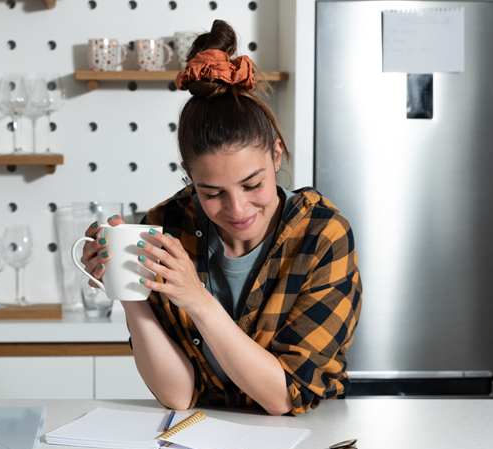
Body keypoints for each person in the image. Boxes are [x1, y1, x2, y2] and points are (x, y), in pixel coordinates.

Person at [79, 20, 362, 416]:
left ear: (276, 154)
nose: (238, 210)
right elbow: (178, 396)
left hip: (308, 437)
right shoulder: (166, 226)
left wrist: (198, 300)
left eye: (252, 184)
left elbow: (284, 397)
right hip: (203, 433)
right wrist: (128, 293)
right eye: (212, 193)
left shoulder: (322, 236)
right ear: (189, 176)